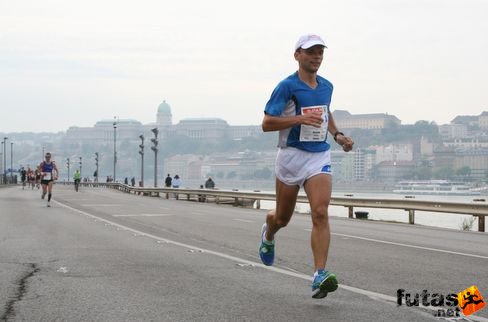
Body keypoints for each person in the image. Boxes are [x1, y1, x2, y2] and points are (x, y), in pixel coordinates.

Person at [259, 34, 354, 299]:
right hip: (290, 157)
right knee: (282, 218)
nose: (316, 57)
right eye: (310, 52)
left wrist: (337, 136)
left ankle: (319, 274)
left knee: (320, 212)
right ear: (297, 55)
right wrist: (300, 119)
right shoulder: (286, 87)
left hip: (317, 157)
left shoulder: (327, 86)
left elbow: (326, 111)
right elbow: (266, 123)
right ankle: (269, 230)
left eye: (320, 52)